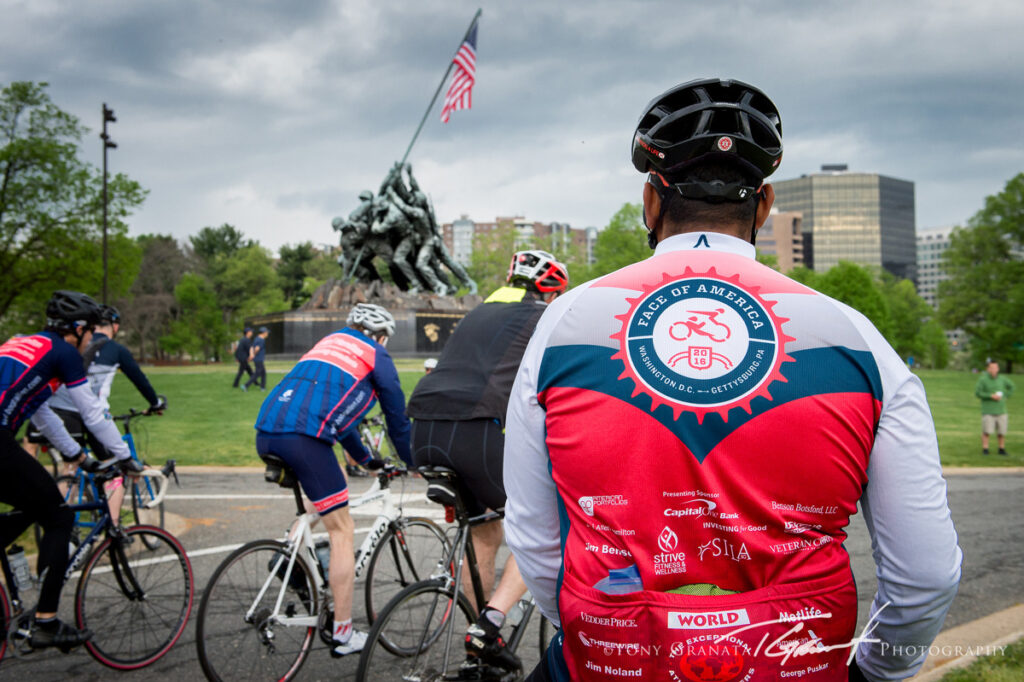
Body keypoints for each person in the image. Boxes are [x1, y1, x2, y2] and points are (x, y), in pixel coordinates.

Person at [503, 78, 962, 682]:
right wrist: (878, 671)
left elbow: (535, 542)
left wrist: (596, 636)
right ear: (764, 206)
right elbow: (926, 575)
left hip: (613, 657)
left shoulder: (564, 323)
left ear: (650, 201)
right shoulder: (857, 336)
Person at [407, 250, 569, 674]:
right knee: (539, 521)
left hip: (422, 429)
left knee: (484, 528)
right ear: (552, 290)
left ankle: (481, 636)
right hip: (473, 429)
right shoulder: (541, 316)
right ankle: (491, 622)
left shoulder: (478, 313)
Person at [254, 303, 412, 656]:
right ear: (381, 336)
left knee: (324, 496)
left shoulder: (327, 343)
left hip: (267, 431)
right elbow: (397, 419)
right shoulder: (377, 354)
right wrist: (413, 459)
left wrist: (366, 460)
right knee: (342, 528)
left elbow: (339, 421)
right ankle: (342, 632)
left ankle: (291, 555)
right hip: (304, 438)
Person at [0, 291, 139, 651]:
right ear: (77, 329)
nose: (93, 339)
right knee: (59, 517)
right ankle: (46, 622)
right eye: (91, 331)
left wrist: (76, 454)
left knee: (33, 501)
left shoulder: (23, 343)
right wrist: (124, 456)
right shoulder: (63, 354)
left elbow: (40, 411)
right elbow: (92, 412)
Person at [44, 303, 163, 512]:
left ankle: (63, 524)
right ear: (115, 327)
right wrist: (155, 403)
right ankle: (114, 530)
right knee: (115, 469)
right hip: (91, 413)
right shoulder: (115, 349)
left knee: (70, 468)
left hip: (58, 411)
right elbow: (139, 380)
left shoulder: (71, 343)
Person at [975, 360, 1014, 455]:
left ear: (998, 368)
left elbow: (1012, 387)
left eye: (995, 367)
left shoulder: (1002, 379)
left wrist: (1005, 395)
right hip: (988, 410)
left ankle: (1001, 448)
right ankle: (985, 449)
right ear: (988, 369)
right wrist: (990, 396)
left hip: (1001, 410)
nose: (994, 369)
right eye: (991, 367)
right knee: (986, 431)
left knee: (1002, 431)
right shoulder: (983, 380)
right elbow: (978, 393)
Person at [243, 326, 269, 392]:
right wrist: (253, 355)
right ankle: (246, 385)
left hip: (258, 359)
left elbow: (252, 347)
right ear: (264, 333)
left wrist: (251, 355)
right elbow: (257, 348)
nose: (267, 334)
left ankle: (262, 387)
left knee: (263, 373)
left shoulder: (256, 338)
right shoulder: (261, 339)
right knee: (257, 374)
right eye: (267, 332)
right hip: (259, 359)